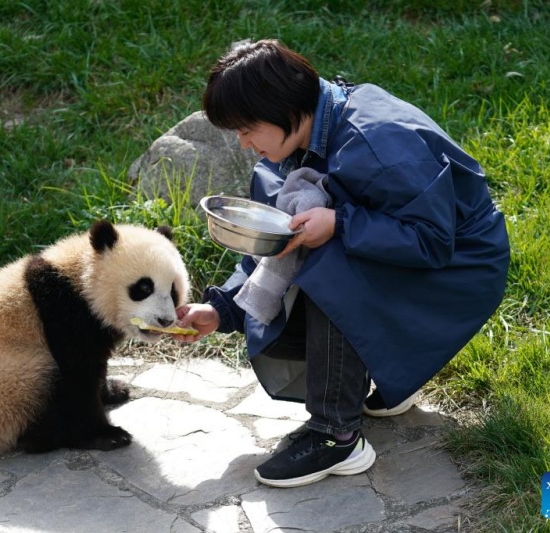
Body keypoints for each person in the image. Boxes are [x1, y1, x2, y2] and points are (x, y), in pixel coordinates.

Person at [173, 39, 510, 488]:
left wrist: (342, 222)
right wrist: (221, 310)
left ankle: (337, 437)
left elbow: (432, 240)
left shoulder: (374, 141)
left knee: (329, 266)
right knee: (319, 247)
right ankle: (391, 379)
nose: (244, 144)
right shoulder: (302, 142)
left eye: (248, 128)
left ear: (285, 107)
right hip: (424, 254)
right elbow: (275, 251)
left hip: (461, 265)